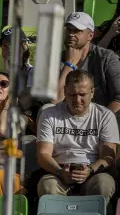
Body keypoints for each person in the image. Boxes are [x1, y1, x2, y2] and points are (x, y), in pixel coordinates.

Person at [37, 69, 119, 200]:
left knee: (104, 184)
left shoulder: (105, 116)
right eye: (72, 94)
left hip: (93, 171)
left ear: (92, 93)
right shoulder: (49, 114)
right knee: (48, 186)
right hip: (58, 170)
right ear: (64, 91)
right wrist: (60, 171)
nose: (77, 100)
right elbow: (43, 154)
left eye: (82, 94)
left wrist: (90, 170)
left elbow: (108, 157)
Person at [60, 12, 120, 116]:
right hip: (66, 121)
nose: (71, 34)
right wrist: (69, 65)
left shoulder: (106, 58)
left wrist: (101, 122)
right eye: (69, 29)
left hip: (100, 120)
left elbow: (119, 97)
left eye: (77, 30)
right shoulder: (58, 59)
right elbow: (54, 100)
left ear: (90, 35)